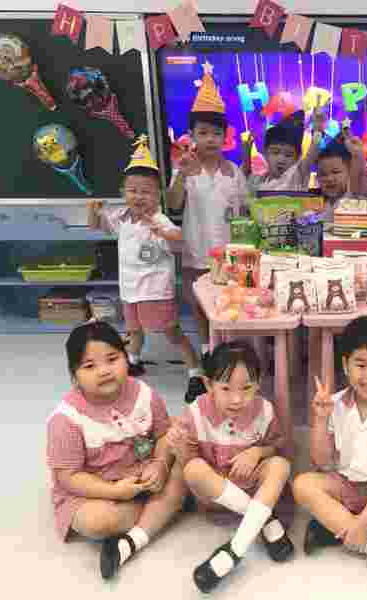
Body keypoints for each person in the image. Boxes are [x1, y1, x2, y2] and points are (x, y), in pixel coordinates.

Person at [46, 321, 184, 580]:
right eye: (90, 366)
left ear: (126, 358)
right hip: (96, 490)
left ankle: (136, 535)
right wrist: (115, 492)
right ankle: (162, 511)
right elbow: (68, 477)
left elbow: (163, 434)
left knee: (186, 458)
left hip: (147, 474)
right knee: (99, 522)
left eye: (112, 359)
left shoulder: (144, 393)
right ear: (74, 376)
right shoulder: (66, 419)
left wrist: (161, 464)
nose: (104, 371)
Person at [292, 316, 367, 588]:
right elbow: (321, 461)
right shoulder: (334, 403)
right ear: (346, 365)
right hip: (344, 486)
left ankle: (333, 528)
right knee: (302, 485)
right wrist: (321, 419)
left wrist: (364, 519)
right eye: (361, 365)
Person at [166, 341, 294, 593]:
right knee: (192, 469)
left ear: (258, 383)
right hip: (218, 495)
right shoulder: (196, 411)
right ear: (208, 385)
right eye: (226, 388)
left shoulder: (264, 410)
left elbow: (278, 446)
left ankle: (234, 550)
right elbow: (190, 460)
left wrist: (257, 452)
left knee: (281, 465)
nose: (237, 399)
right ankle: (264, 520)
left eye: (247, 388)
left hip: (255, 491)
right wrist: (179, 446)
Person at [87, 136, 203, 399]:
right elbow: (96, 226)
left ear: (157, 195)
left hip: (154, 290)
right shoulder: (122, 218)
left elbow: (180, 239)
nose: (138, 196)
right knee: (134, 330)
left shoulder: (159, 219)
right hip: (130, 289)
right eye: (132, 190)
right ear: (123, 192)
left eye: (146, 191)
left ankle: (195, 372)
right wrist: (92, 211)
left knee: (171, 332)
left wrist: (161, 231)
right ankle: (133, 360)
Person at [166, 60, 247, 374]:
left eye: (216, 133)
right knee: (200, 307)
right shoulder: (185, 169)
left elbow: (243, 213)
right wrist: (180, 176)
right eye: (203, 133)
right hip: (195, 252)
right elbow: (173, 205)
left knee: (229, 303)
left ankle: (229, 352)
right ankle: (207, 352)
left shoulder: (234, 172)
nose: (210, 139)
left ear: (225, 136)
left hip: (228, 255)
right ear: (192, 135)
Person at [242, 106, 324, 194]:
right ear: (265, 153)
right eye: (275, 152)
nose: (281, 160)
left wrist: (318, 130)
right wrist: (247, 154)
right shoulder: (259, 181)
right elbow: (243, 178)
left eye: (288, 155)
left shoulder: (296, 176)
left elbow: (312, 153)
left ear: (297, 158)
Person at [316, 128, 367, 222]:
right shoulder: (322, 206)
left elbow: (359, 176)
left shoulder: (352, 197)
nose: (329, 179)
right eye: (323, 174)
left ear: (349, 172)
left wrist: (357, 155)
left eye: (335, 172)